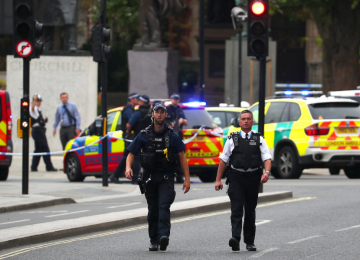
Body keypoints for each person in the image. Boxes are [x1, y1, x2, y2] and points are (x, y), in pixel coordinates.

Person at [125, 103, 191, 251]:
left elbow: (182, 157)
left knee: (164, 206)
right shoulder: (143, 135)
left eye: (162, 112)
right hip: (149, 177)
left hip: (166, 177)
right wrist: (128, 167)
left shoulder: (172, 135)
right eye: (157, 112)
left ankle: (163, 237)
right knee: (153, 209)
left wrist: (187, 179)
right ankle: (154, 240)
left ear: (166, 115)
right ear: (153, 115)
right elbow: (131, 153)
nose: (160, 114)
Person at [215, 110, 271, 252]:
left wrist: (267, 172)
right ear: (239, 122)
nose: (246, 121)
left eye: (249, 119)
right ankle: (235, 238)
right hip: (236, 178)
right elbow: (223, 159)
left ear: (252, 122)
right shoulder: (231, 139)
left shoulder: (259, 139)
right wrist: (218, 180)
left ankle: (249, 242)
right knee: (237, 209)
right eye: (243, 119)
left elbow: (266, 157)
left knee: (250, 211)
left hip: (253, 178)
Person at [109, 92, 139, 183]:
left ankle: (115, 175)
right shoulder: (129, 109)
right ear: (131, 99)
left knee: (128, 156)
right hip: (128, 136)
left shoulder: (131, 108)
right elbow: (131, 122)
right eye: (136, 98)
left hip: (129, 135)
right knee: (128, 156)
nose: (137, 100)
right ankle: (115, 175)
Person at [30, 94, 58, 172]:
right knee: (45, 149)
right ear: (34, 101)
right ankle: (49, 167)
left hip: (38, 131)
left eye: (40, 101)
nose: (39, 103)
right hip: (38, 131)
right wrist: (43, 120)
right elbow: (39, 121)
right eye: (37, 101)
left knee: (38, 150)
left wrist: (44, 120)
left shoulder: (36, 109)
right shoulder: (33, 109)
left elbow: (40, 121)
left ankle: (33, 167)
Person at [165, 93, 188, 183]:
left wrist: (182, 120)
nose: (176, 100)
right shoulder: (167, 109)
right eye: (174, 99)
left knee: (180, 156)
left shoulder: (179, 109)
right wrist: (169, 123)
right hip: (169, 135)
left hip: (178, 135)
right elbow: (163, 121)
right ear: (171, 99)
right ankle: (169, 176)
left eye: (177, 99)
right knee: (169, 156)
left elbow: (186, 122)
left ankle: (179, 176)